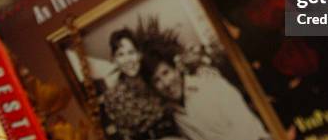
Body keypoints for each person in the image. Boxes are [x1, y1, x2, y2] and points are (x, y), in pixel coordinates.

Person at [140, 37, 270, 140]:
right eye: (157, 80)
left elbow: (247, 128)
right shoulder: (176, 115)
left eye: (166, 72)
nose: (166, 83)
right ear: (153, 88)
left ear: (176, 69)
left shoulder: (210, 86)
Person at [103, 28, 181, 140]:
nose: (128, 60)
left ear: (139, 54)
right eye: (120, 54)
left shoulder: (155, 77)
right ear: (114, 59)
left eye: (131, 52)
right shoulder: (112, 97)